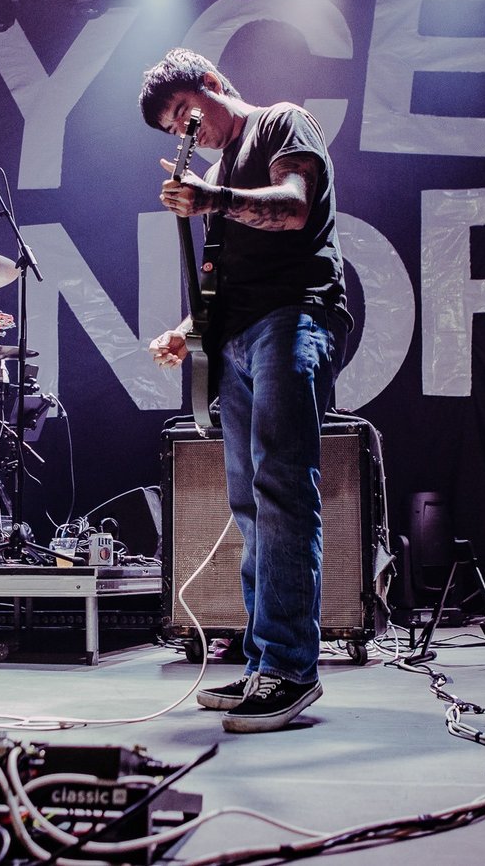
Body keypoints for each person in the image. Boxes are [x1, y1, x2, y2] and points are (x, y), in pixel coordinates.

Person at [140, 48, 351, 734]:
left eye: (184, 111)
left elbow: (294, 209)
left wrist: (211, 199)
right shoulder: (218, 170)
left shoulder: (281, 121)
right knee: (251, 502)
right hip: (236, 339)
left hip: (294, 316)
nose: (186, 131)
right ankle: (265, 663)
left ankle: (290, 668)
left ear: (212, 83)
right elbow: (225, 278)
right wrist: (186, 331)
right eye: (173, 126)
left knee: (282, 489)